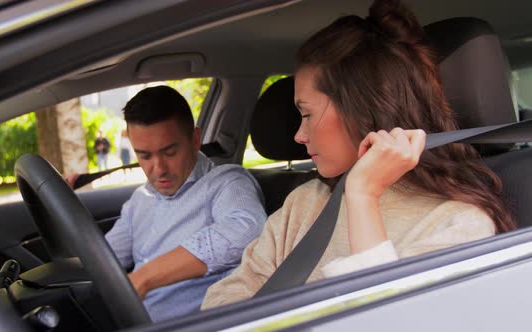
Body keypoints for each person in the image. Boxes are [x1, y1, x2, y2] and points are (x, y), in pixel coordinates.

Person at [201, 0, 516, 309]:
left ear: (364, 112)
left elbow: (389, 320)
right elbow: (225, 299)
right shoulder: (305, 202)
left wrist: (362, 196)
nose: (298, 135)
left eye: (307, 114)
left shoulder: (459, 224)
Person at [105, 85, 267, 321]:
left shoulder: (225, 183)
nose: (158, 169)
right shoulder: (140, 199)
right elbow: (104, 259)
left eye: (169, 152)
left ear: (195, 139)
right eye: (145, 156)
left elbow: (248, 229)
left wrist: (145, 277)